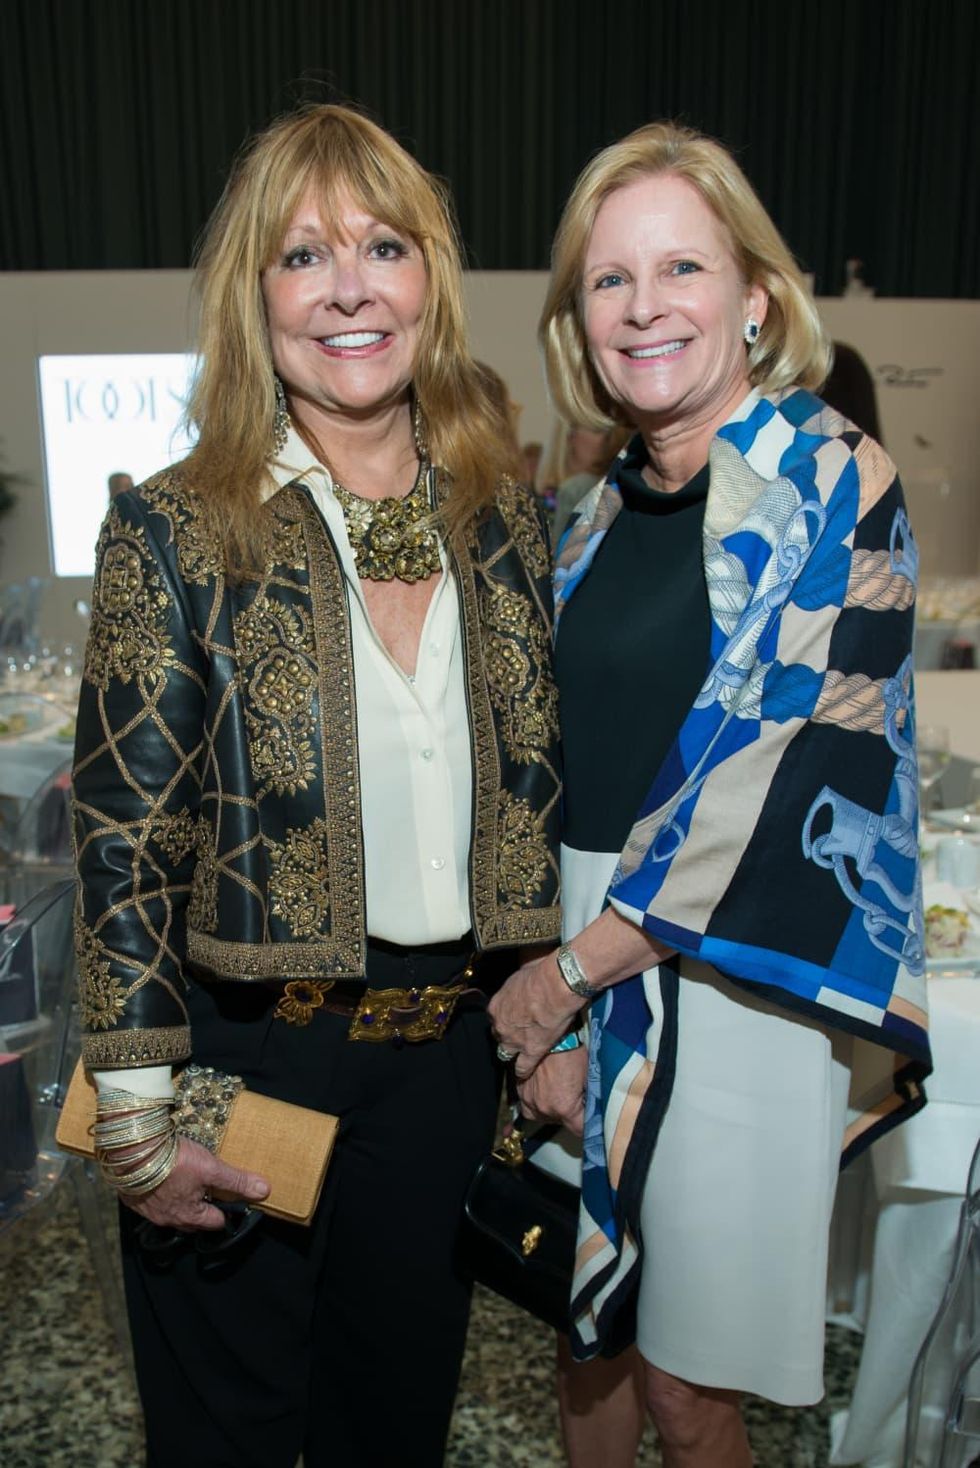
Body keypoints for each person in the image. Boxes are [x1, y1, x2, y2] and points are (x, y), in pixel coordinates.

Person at [72, 104, 561, 1468]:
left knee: (392, 1436)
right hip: (247, 1057)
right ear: (257, 299)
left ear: (430, 282)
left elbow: (543, 784)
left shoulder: (496, 522)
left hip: (443, 1067)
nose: (349, 287)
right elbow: (123, 840)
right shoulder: (177, 524)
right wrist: (136, 1120)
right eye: (303, 256)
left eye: (383, 247)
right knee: (223, 1441)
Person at [489, 121, 930, 1467]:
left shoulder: (834, 481)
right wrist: (546, 1006)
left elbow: (785, 763)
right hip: (580, 956)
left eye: (681, 266)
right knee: (587, 1341)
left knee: (690, 1390)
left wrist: (567, 977)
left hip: (738, 977)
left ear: (754, 297)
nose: (644, 305)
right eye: (609, 278)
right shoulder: (593, 514)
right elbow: (544, 766)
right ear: (578, 319)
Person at [551, 423, 631, 546]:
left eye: (597, 430)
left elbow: (559, 549)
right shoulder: (629, 485)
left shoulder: (576, 488)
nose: (571, 436)